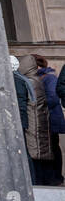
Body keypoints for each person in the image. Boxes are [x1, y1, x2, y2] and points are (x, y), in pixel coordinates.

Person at [15, 54, 51, 183]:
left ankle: (36, 183)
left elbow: (22, 102)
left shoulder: (24, 80)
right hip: (36, 122)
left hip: (30, 123)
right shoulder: (32, 79)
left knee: (30, 155)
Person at [37, 56, 65, 186]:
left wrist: (36, 105)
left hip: (51, 119)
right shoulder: (45, 78)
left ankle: (56, 177)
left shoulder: (49, 78)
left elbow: (53, 98)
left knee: (53, 148)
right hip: (47, 118)